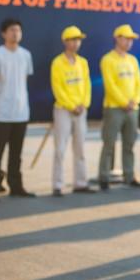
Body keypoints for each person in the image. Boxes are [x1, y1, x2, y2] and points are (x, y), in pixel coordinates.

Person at [0, 18, 35, 201]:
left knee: (16, 153)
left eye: (18, 30)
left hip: (21, 113)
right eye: (12, 30)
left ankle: (16, 186)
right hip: (2, 113)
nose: (15, 33)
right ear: (4, 33)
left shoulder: (25, 55)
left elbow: (24, 81)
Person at [98, 24, 140, 190]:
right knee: (109, 144)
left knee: (129, 144)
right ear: (117, 38)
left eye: (131, 39)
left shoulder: (132, 60)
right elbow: (110, 85)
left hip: (133, 109)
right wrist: (124, 102)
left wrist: (135, 101)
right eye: (126, 38)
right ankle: (104, 176)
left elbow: (139, 83)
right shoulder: (108, 59)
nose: (129, 42)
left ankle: (129, 175)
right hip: (114, 108)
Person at [50, 26, 94, 197]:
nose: (76, 43)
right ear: (65, 41)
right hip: (63, 110)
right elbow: (58, 88)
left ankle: (80, 182)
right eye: (73, 39)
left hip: (81, 110)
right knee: (60, 149)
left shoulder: (83, 62)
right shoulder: (57, 63)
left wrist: (84, 104)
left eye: (78, 40)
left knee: (80, 148)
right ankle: (57, 184)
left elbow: (87, 86)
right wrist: (71, 105)